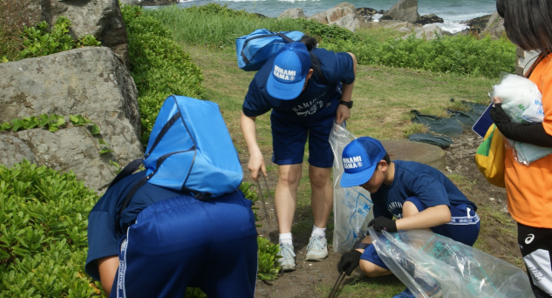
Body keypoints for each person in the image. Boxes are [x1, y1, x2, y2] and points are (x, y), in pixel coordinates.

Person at [241, 35, 357, 271]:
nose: (286, 93)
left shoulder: (328, 65)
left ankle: (319, 234)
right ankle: (285, 242)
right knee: (287, 176)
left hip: (325, 116)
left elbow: (352, 61)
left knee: (320, 175)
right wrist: (254, 151)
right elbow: (247, 115)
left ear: (309, 74)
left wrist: (345, 102)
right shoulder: (264, 82)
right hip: (287, 122)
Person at [336, 136, 480, 298]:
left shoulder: (415, 175)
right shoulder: (378, 188)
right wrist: (358, 250)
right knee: (368, 265)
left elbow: (443, 214)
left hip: (463, 223)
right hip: (425, 231)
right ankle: (435, 262)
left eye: (364, 177)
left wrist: (396, 225)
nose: (360, 184)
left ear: (382, 166)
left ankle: (426, 285)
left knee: (411, 205)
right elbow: (379, 228)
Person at [85, 173, 258, 297]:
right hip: (235, 215)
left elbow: (112, 283)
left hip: (168, 225)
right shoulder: (194, 172)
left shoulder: (103, 207)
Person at [489, 1, 552, 297]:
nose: (507, 28)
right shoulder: (543, 59)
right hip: (532, 202)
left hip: (543, 210)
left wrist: (505, 125)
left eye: (509, 20)